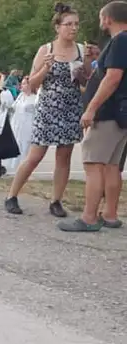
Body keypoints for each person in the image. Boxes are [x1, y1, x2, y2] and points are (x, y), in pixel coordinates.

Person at [4, 2, 92, 216]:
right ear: (58, 27)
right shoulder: (46, 49)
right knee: (35, 156)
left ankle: (56, 201)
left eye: (76, 24)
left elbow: (87, 81)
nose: (73, 28)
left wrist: (85, 69)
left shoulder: (81, 50)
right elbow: (31, 84)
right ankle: (12, 195)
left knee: (64, 157)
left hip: (71, 108)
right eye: (68, 24)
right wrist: (46, 67)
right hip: (48, 108)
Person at [59, 1, 127, 231]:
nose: (100, 21)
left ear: (108, 18)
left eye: (101, 17)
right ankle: (109, 215)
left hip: (107, 113)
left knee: (94, 163)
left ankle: (89, 218)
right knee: (111, 166)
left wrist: (91, 108)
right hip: (119, 115)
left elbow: (113, 77)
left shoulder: (120, 41)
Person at [9, 76, 38, 171]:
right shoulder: (21, 96)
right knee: (17, 144)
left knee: (26, 146)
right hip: (17, 124)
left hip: (28, 125)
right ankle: (15, 167)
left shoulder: (35, 98)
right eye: (22, 83)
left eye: (24, 83)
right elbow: (13, 108)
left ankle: (25, 168)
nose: (22, 85)